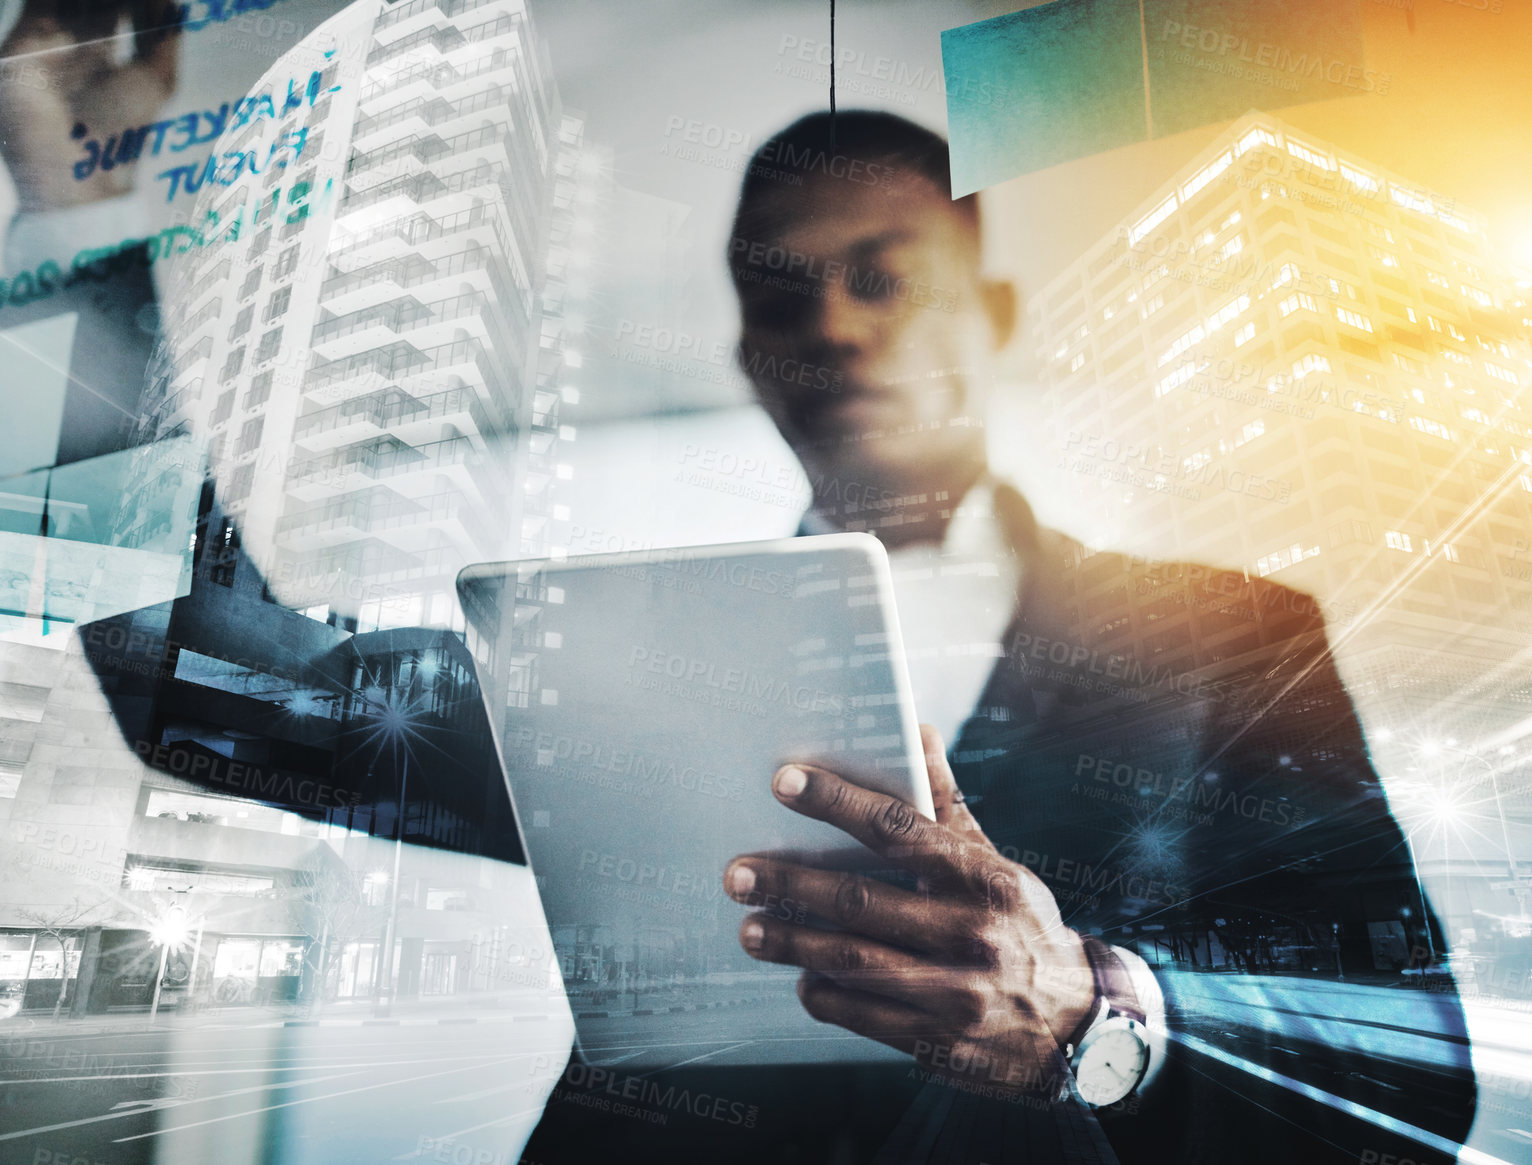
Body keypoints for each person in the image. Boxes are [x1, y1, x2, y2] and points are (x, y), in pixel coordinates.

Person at [518, 110, 1476, 1164]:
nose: (833, 329)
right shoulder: (639, 655)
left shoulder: (1234, 635)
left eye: (881, 280)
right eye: (783, 300)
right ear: (750, 356)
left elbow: (1416, 1063)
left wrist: (1098, 1014)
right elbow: (398, 721)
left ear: (998, 314)